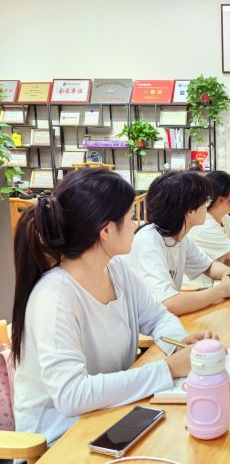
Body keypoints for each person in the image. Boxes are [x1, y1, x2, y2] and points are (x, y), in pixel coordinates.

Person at [12, 169, 213, 444]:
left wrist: (179, 344)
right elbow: (72, 395)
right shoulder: (55, 296)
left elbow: (158, 317)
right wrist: (167, 369)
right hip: (62, 439)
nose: (136, 224)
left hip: (111, 416)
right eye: (130, 217)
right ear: (106, 230)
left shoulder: (117, 269)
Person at [127, 171, 230, 316]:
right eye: (205, 201)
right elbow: (168, 303)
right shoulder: (148, 240)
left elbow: (208, 266)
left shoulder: (179, 236)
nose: (207, 207)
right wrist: (222, 290)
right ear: (189, 210)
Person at [186, 171, 230, 287]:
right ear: (221, 199)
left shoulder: (224, 217)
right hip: (198, 287)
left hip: (215, 282)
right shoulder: (205, 226)